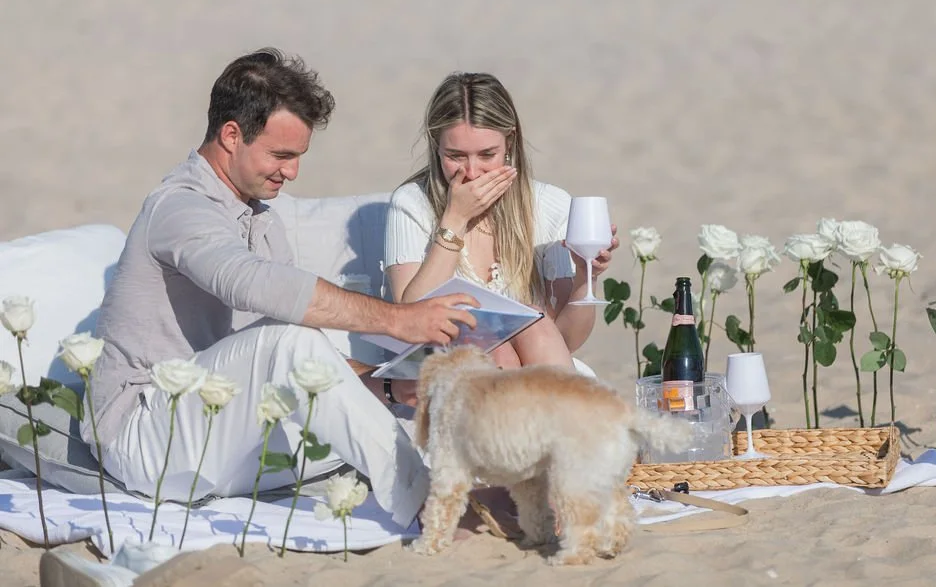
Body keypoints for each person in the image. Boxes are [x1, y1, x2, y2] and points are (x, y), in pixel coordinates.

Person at [83, 48, 478, 528]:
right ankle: (430, 502)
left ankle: (469, 488)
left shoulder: (261, 222)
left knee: (356, 402)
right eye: (281, 155)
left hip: (217, 430)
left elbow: (287, 358)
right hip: (143, 438)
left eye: (297, 158)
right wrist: (399, 318)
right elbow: (247, 284)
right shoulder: (178, 208)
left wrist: (391, 387)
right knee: (295, 340)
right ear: (231, 135)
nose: (291, 173)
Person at [385, 72, 618, 370]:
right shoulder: (412, 203)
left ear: (509, 142)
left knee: (530, 321)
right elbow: (409, 318)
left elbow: (565, 340)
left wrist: (587, 277)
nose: (472, 172)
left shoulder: (548, 204)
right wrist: (455, 220)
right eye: (456, 156)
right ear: (435, 145)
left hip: (538, 370)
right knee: (493, 347)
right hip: (446, 371)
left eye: (487, 154)